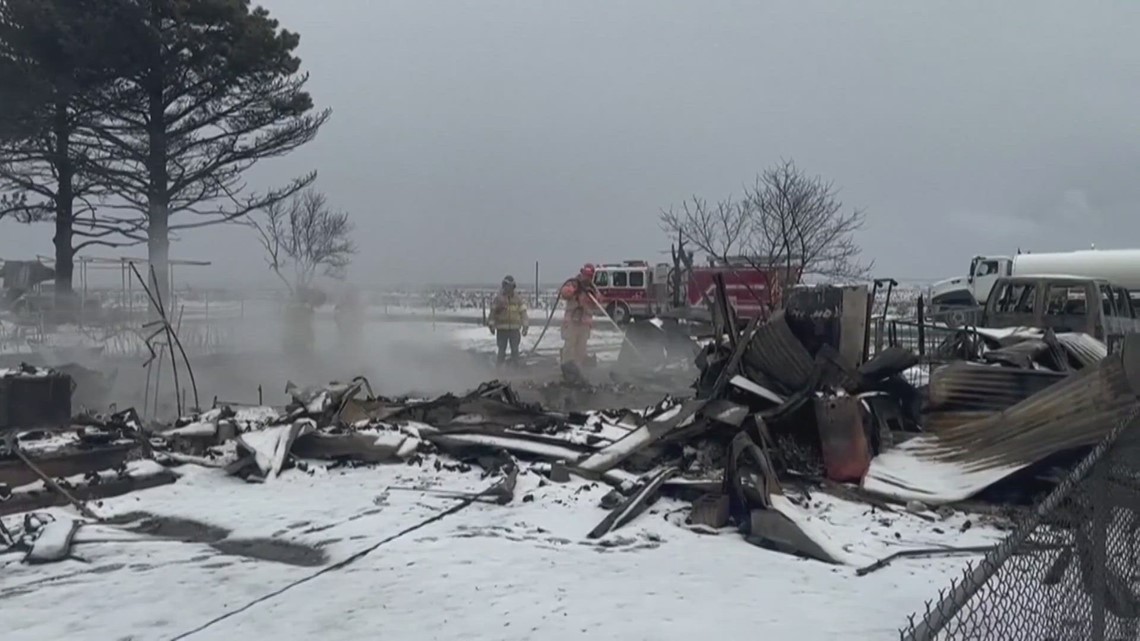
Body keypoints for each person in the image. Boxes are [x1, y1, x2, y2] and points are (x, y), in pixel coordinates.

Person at [559, 263, 603, 374]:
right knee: (570, 347)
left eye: (590, 276)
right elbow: (563, 293)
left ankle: (577, 370)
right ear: (582, 273)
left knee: (581, 349)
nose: (587, 278)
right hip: (572, 323)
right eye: (586, 275)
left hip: (584, 324)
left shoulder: (592, 288)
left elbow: (599, 301)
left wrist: (592, 295)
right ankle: (566, 369)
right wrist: (574, 291)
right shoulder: (573, 283)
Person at [488, 275, 529, 366]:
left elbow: (523, 313)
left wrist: (525, 326)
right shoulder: (498, 299)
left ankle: (516, 370)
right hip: (502, 330)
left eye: (510, 286)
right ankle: (499, 370)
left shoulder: (518, 299)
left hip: (514, 330)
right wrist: (491, 325)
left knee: (515, 351)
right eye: (507, 286)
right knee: (501, 351)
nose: (508, 289)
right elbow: (492, 313)